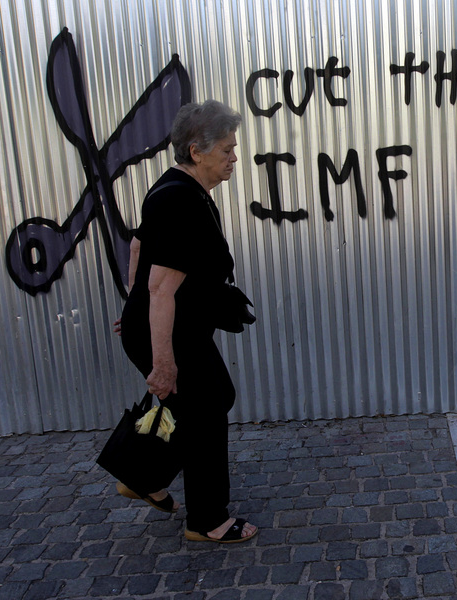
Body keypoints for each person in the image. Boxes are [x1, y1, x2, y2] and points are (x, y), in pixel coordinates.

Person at [113, 100, 257, 543]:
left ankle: (140, 475)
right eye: (228, 150)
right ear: (197, 151)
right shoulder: (181, 201)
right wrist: (162, 362)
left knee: (206, 400)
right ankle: (208, 521)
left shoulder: (177, 190)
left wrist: (130, 306)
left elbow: (139, 247)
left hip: (165, 325)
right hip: (168, 333)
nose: (235, 157)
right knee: (207, 410)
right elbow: (161, 288)